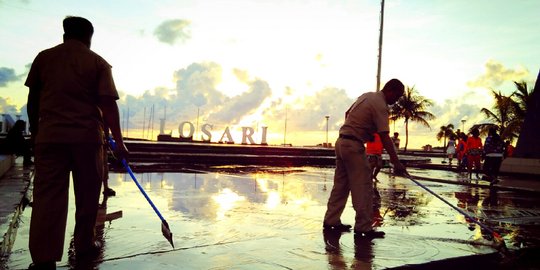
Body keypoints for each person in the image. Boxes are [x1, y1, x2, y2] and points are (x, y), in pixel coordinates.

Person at [25, 16, 128, 269]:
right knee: (87, 196)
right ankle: (84, 244)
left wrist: (37, 133)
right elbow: (108, 105)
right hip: (86, 139)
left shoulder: (44, 58)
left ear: (64, 35)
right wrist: (119, 142)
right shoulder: (97, 62)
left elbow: (32, 101)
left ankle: (44, 257)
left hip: (50, 138)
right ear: (89, 37)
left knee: (48, 199)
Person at [323, 79, 407, 239]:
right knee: (363, 187)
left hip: (341, 142)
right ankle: (363, 227)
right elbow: (384, 136)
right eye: (397, 96)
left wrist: (361, 129)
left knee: (340, 186)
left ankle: (331, 221)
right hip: (353, 146)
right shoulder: (381, 105)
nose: (396, 101)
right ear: (391, 90)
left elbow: (347, 113)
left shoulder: (366, 96)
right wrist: (396, 162)